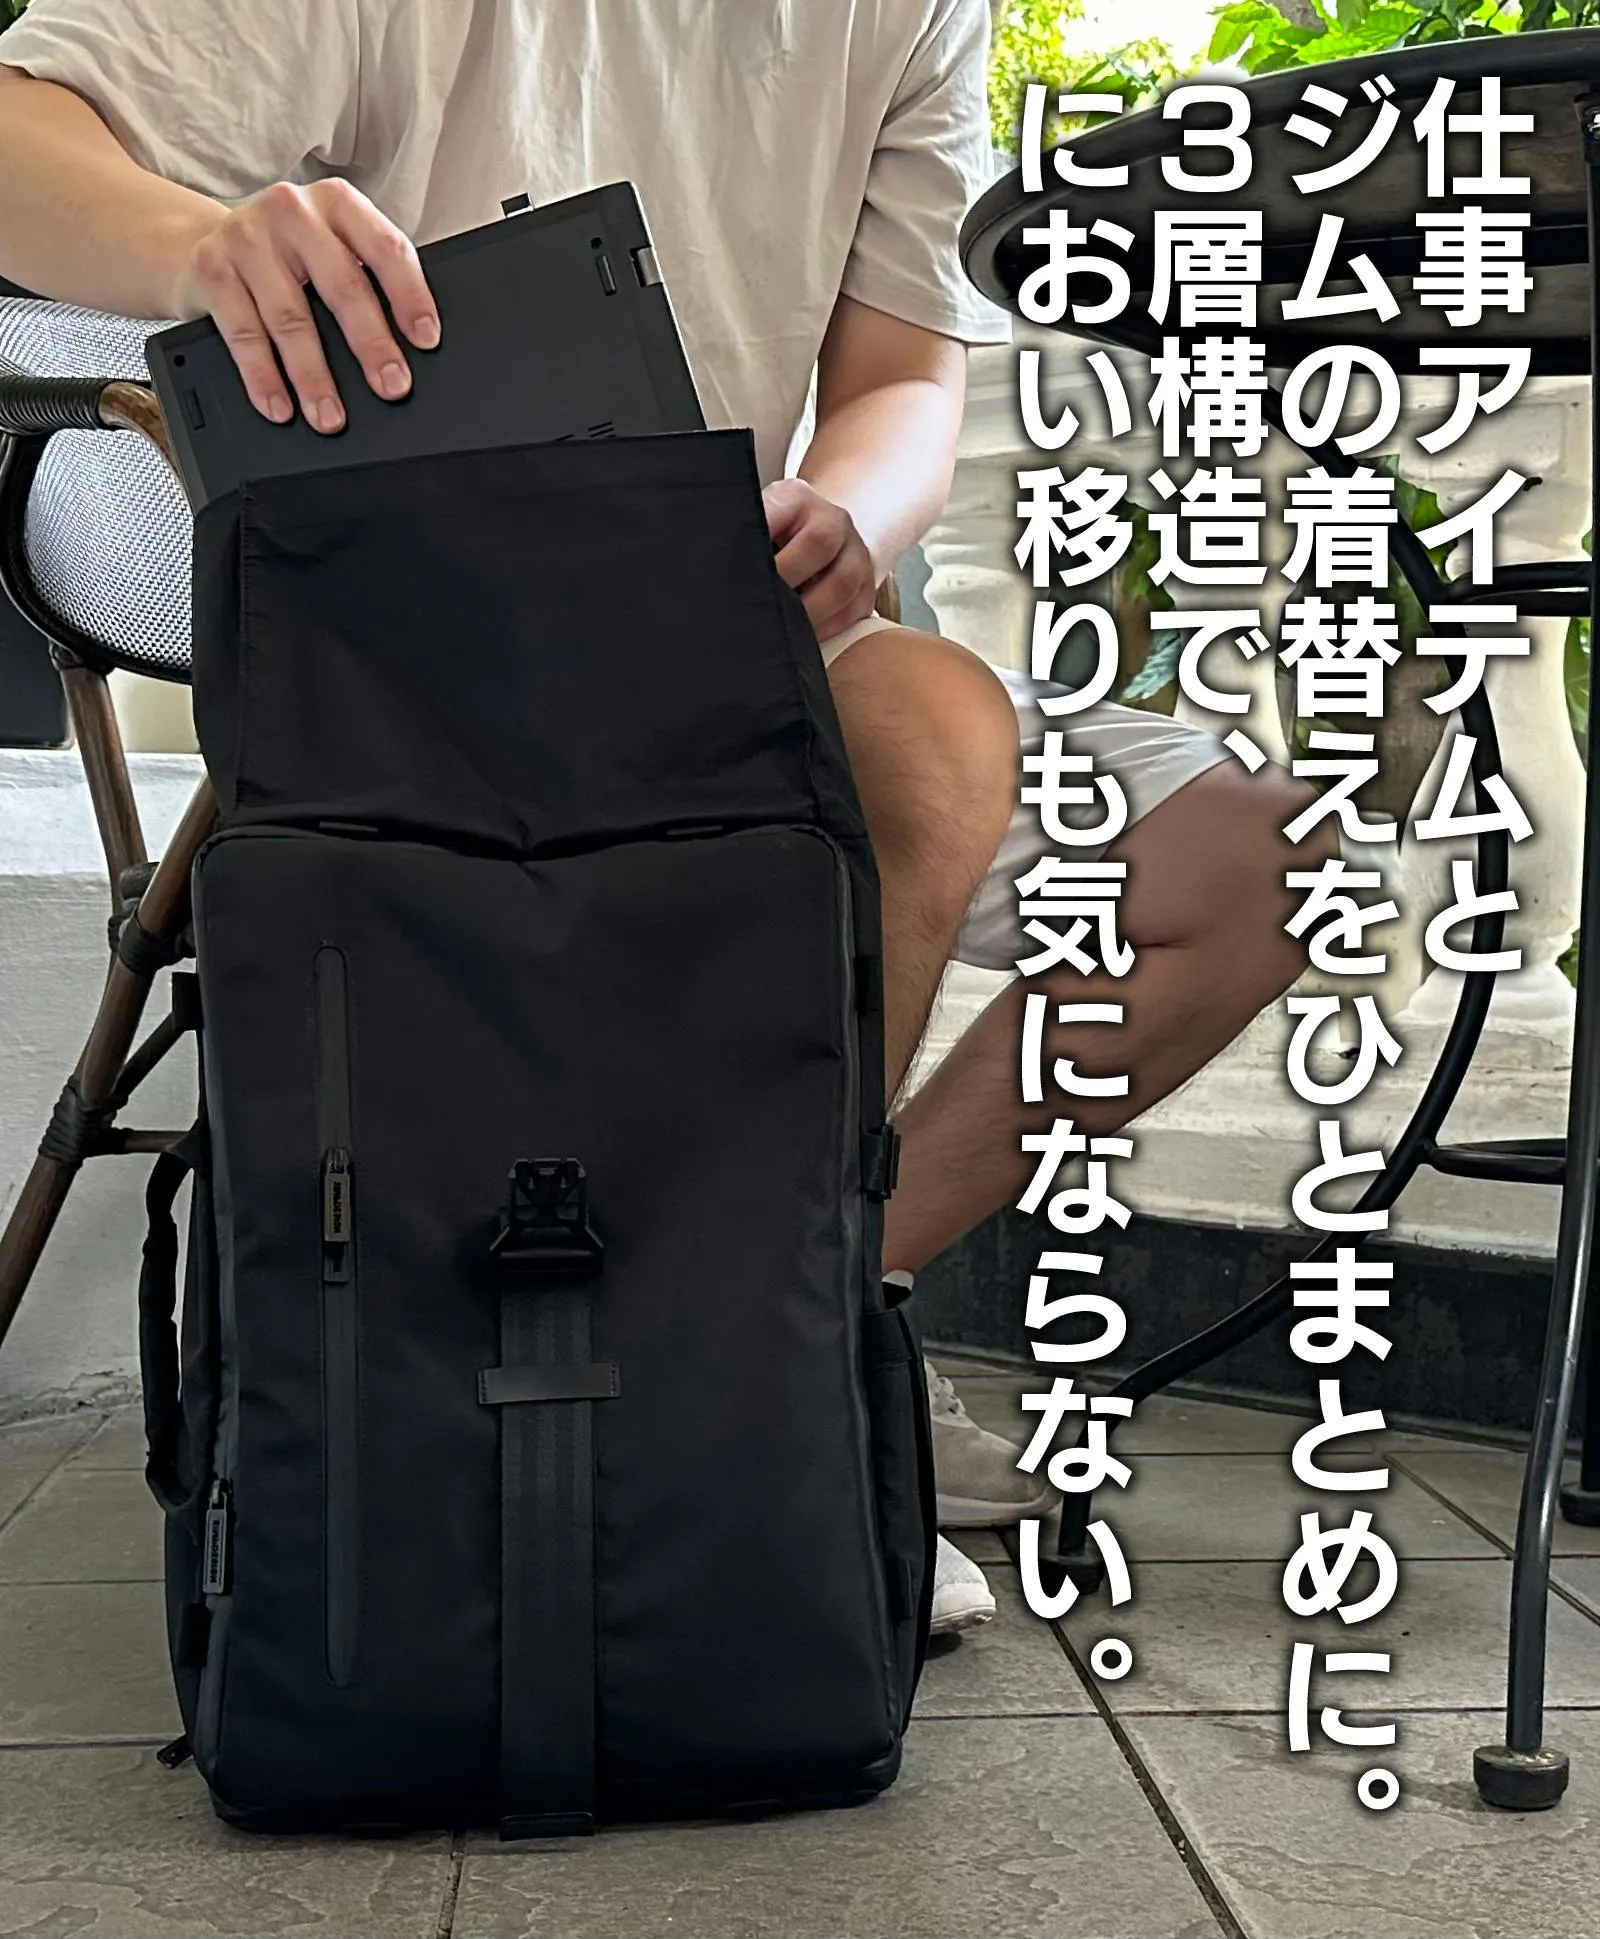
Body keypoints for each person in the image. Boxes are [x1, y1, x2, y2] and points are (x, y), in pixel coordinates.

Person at [0, 0, 1332, 1637]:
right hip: (423, 638)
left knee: (1254, 858)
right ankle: (759, 1385)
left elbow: (905, 376)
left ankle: (781, 1331)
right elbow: (14, 140)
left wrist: (847, 511)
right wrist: (204, 247)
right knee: (921, 738)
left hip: (734, 615)